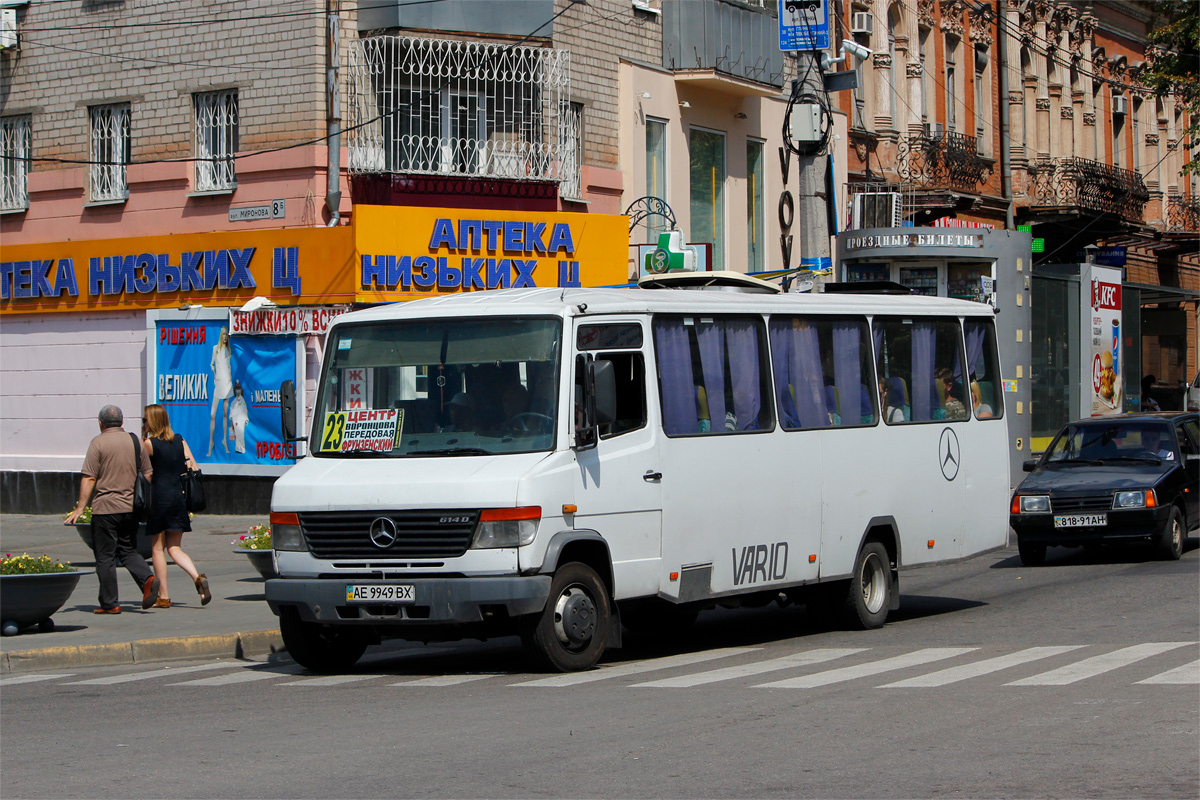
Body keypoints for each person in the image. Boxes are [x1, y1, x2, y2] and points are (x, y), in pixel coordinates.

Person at [64, 405, 160, 613]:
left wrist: (80, 508)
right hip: (130, 508)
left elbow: (89, 477)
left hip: (105, 509)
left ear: (101, 423)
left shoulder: (98, 443)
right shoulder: (135, 441)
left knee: (105, 556)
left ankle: (110, 604)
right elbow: (148, 473)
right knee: (127, 550)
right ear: (122, 422)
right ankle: (148, 577)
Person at [142, 404, 211, 608]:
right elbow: (194, 467)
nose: (143, 423)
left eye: (145, 419)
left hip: (159, 498)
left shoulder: (148, 444)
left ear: (152, 421)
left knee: (157, 548)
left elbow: (145, 472)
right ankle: (197, 578)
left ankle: (163, 596)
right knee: (175, 547)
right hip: (178, 498)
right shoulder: (180, 440)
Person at [207, 326, 234, 456]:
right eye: (224, 335)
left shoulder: (229, 351)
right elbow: (212, 364)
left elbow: (230, 366)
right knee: (213, 414)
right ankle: (211, 442)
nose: (225, 337)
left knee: (224, 413)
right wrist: (214, 377)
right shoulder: (215, 349)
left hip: (227, 383)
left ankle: (224, 441)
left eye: (227, 335)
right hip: (219, 384)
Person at [228, 381, 250, 454]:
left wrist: (246, 419)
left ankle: (242, 448)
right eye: (237, 389)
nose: (238, 391)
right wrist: (231, 419)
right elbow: (232, 409)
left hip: (241, 419)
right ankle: (238, 448)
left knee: (241, 434)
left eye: (239, 389)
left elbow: (244, 409)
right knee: (237, 434)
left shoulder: (242, 400)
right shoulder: (234, 401)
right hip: (236, 419)